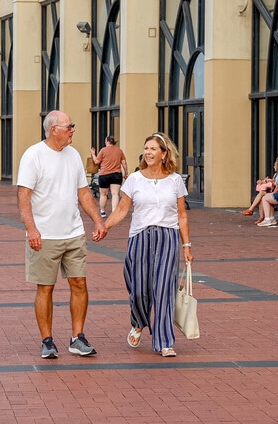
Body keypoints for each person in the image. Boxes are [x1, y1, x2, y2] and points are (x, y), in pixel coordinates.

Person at [17, 110, 107, 359]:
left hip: (74, 233)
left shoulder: (74, 155)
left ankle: (77, 338)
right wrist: (31, 229)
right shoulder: (33, 155)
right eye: (69, 126)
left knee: (79, 283)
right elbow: (23, 196)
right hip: (44, 235)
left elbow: (84, 194)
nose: (73, 130)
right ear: (53, 129)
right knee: (45, 287)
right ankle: (47, 341)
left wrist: (98, 221)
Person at [104, 132, 194, 358]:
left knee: (164, 289)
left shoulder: (175, 180)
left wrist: (187, 246)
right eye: (146, 148)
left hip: (167, 238)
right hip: (140, 238)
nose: (148, 152)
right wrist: (105, 226)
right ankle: (138, 323)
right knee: (139, 290)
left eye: (153, 149)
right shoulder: (135, 179)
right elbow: (123, 209)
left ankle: (164, 340)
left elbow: (182, 215)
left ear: (164, 154)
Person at [89, 136, 129, 218]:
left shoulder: (103, 150)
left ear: (107, 141)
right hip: (116, 174)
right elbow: (124, 162)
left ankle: (102, 211)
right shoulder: (119, 150)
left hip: (104, 174)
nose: (104, 142)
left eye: (105, 141)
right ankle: (114, 211)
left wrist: (93, 154)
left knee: (103, 194)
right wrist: (126, 172)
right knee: (115, 194)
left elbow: (96, 161)